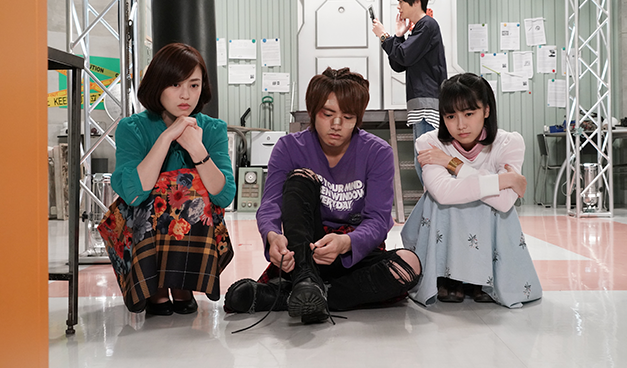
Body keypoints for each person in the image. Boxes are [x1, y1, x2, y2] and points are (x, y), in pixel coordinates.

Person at [224, 67, 422, 324]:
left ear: (358, 118)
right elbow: (271, 203)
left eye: (348, 117)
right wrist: (272, 236)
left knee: (408, 264)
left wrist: (346, 243)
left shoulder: (378, 152)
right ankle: (306, 280)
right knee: (300, 178)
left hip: (353, 248)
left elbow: (377, 220)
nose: (337, 125)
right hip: (304, 250)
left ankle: (290, 296)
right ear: (313, 111)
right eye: (327, 114)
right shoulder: (289, 147)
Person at [98, 42, 236, 316]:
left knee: (187, 187)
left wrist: (197, 150)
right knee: (166, 189)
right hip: (139, 227)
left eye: (194, 85)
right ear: (158, 85)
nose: (186, 95)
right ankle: (155, 286)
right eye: (175, 84)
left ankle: (182, 282)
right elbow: (133, 193)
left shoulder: (212, 128)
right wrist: (166, 138)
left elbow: (223, 196)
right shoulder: (133, 128)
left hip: (194, 233)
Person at [401, 73, 542, 308]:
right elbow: (444, 193)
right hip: (443, 221)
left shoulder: (508, 143)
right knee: (448, 200)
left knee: (483, 200)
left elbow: (504, 202)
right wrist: (503, 180)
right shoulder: (430, 143)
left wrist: (453, 164)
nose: (460, 125)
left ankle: (483, 278)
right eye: (450, 116)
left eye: (469, 113)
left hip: (490, 230)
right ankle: (448, 276)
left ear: (486, 110)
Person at [372, 0, 447, 182]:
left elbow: (403, 56)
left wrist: (384, 36)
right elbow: (398, 63)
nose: (398, 7)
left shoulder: (427, 25)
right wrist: (398, 35)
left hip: (428, 104)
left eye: (401, 1)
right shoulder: (420, 28)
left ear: (416, 2)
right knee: (422, 161)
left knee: (427, 162)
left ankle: (435, 200)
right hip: (420, 104)